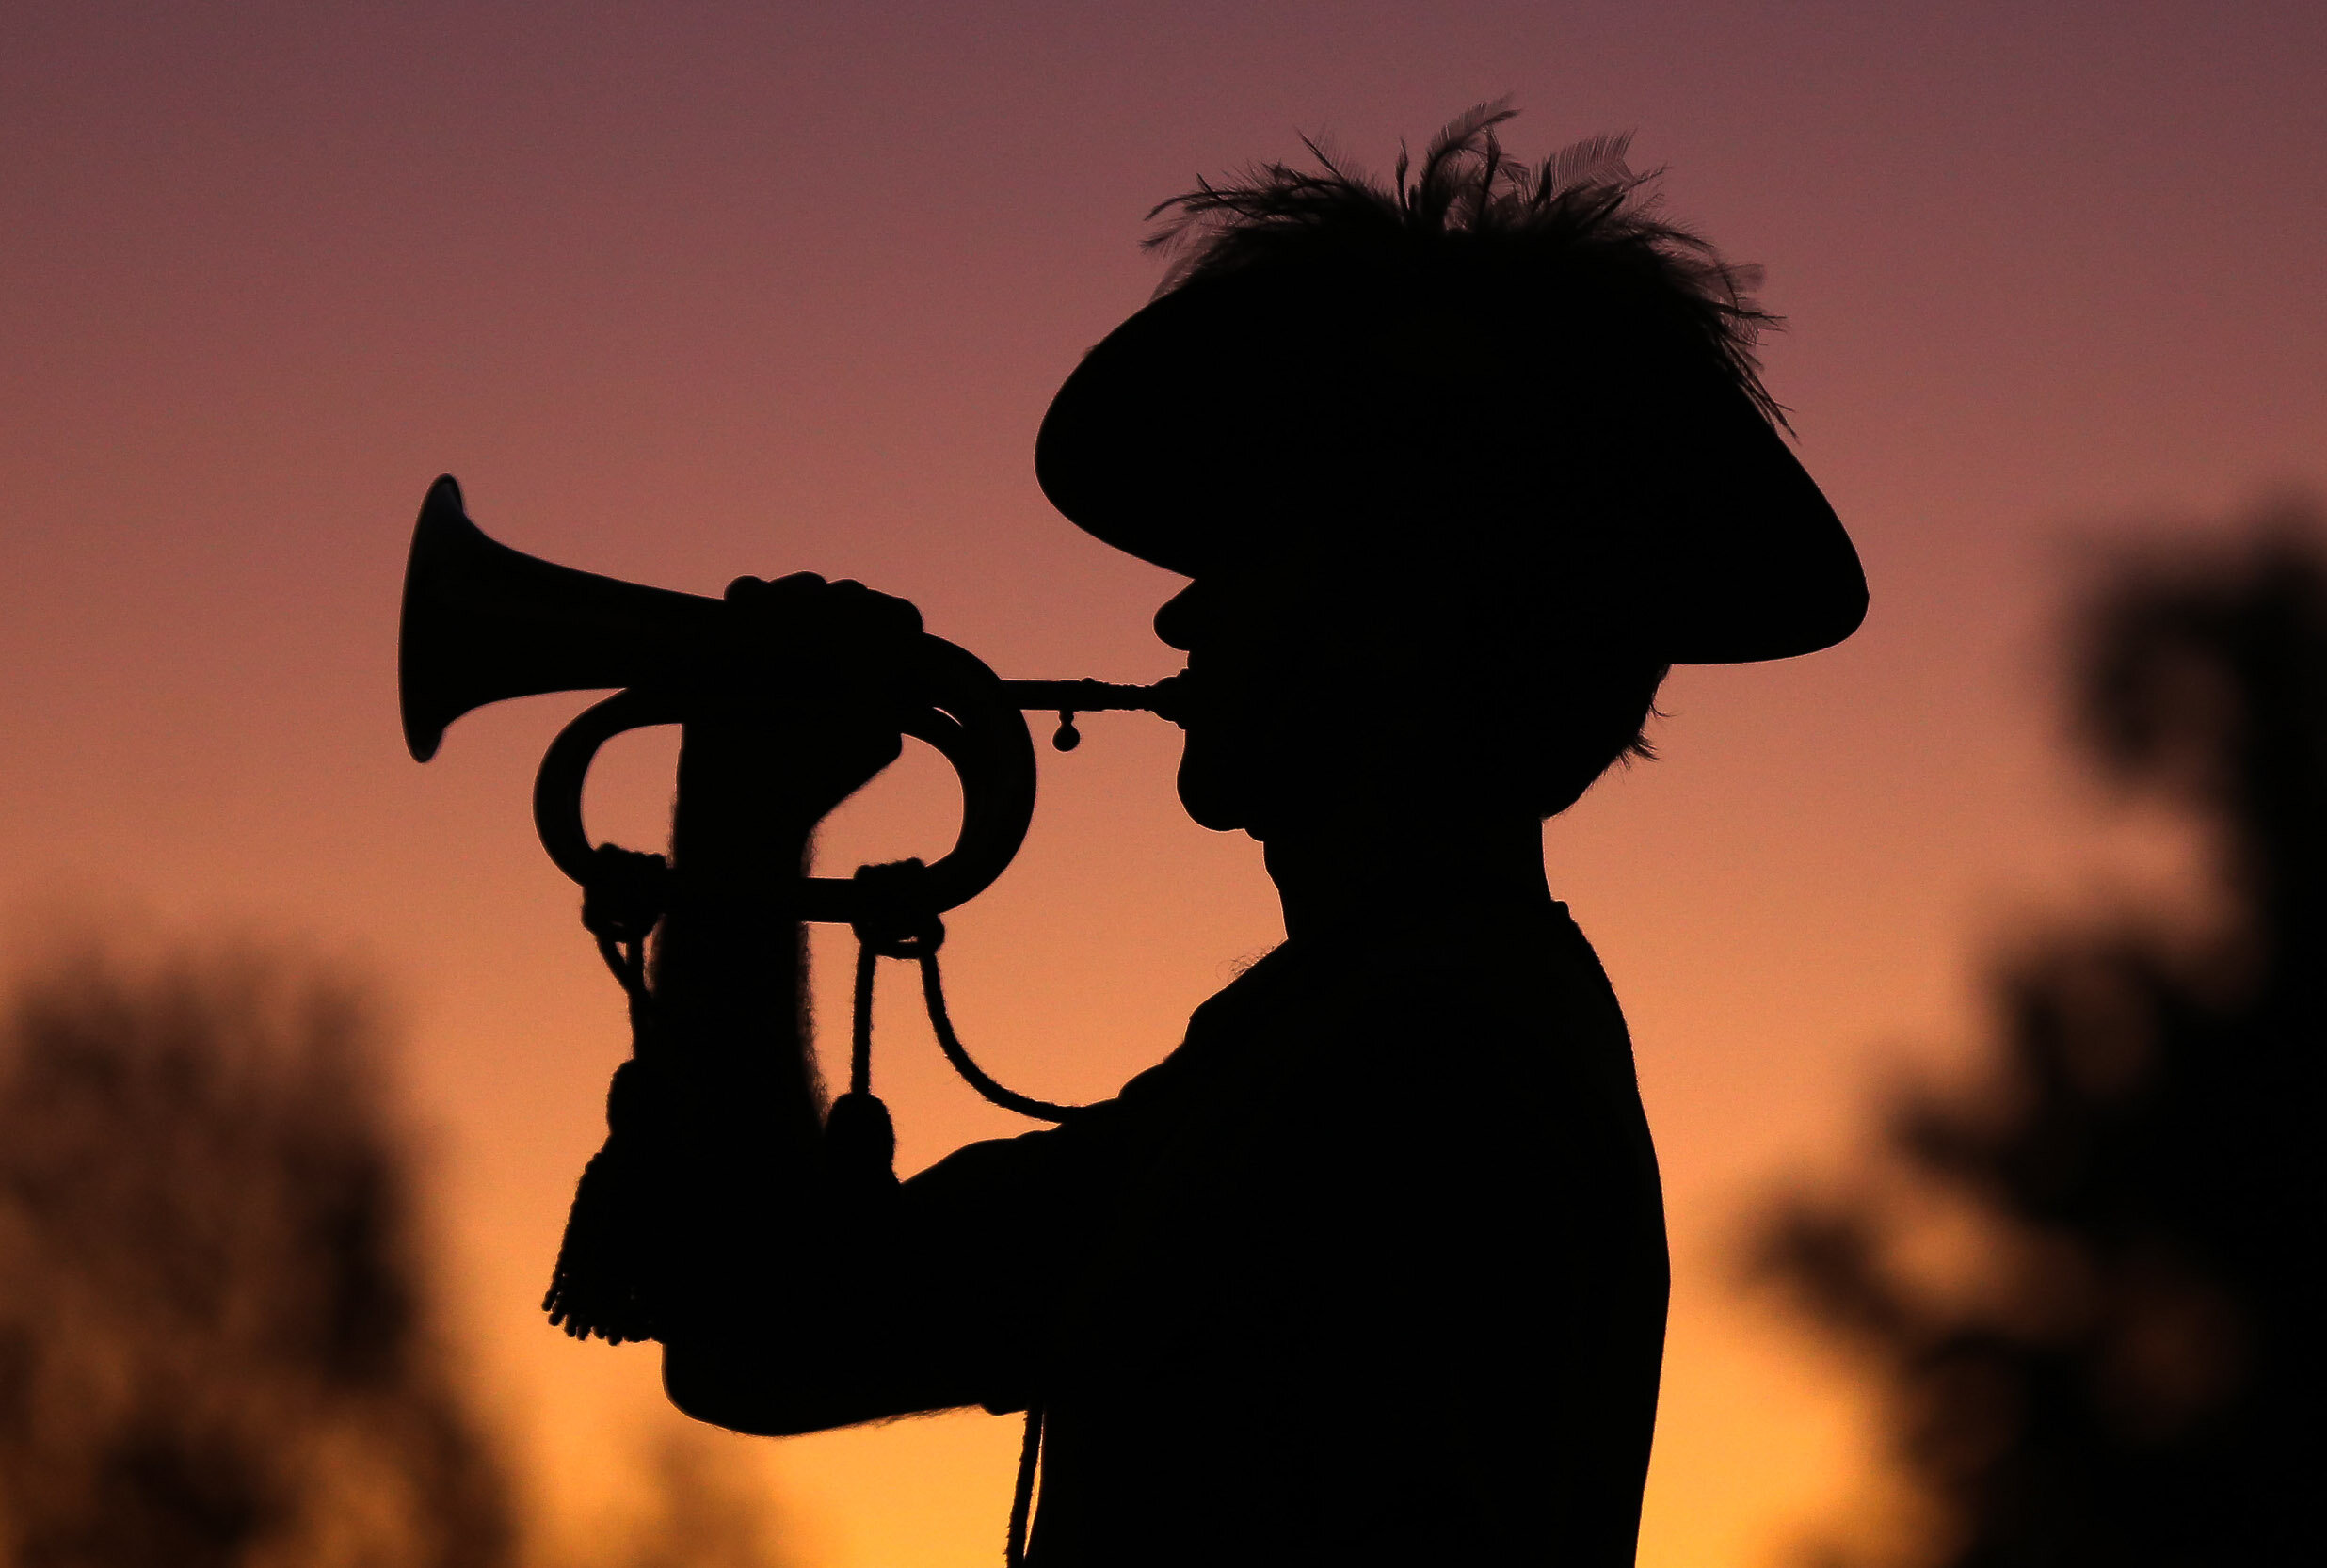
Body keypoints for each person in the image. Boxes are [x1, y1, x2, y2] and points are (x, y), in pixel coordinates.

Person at [653, 105, 1866, 1567]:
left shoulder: (1411, 1056)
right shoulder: (1372, 1032)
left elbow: (769, 1331)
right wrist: (742, 827)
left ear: (1408, 607)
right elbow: (765, 1336)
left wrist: (739, 823)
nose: (1177, 612)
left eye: (1253, 547)